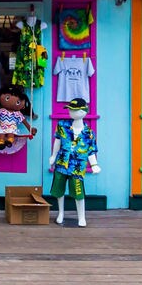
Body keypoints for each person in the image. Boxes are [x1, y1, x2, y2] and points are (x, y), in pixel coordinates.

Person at [49, 97, 99, 227]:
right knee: (59, 190)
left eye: (75, 110)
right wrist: (53, 156)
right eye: (70, 110)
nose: (71, 112)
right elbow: (57, 141)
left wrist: (94, 165)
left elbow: (91, 150)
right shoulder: (62, 126)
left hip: (77, 167)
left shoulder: (89, 133)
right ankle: (61, 213)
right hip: (61, 163)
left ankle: (81, 217)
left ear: (84, 112)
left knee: (78, 191)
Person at [0, 84, 36, 151]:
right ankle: (1, 143)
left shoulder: (17, 114)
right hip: (2, 128)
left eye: (18, 102)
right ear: (0, 98)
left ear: (23, 106)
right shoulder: (1, 111)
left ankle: (9, 141)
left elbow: (24, 122)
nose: (12, 101)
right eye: (7, 98)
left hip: (12, 128)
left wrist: (30, 129)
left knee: (11, 134)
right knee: (1, 134)